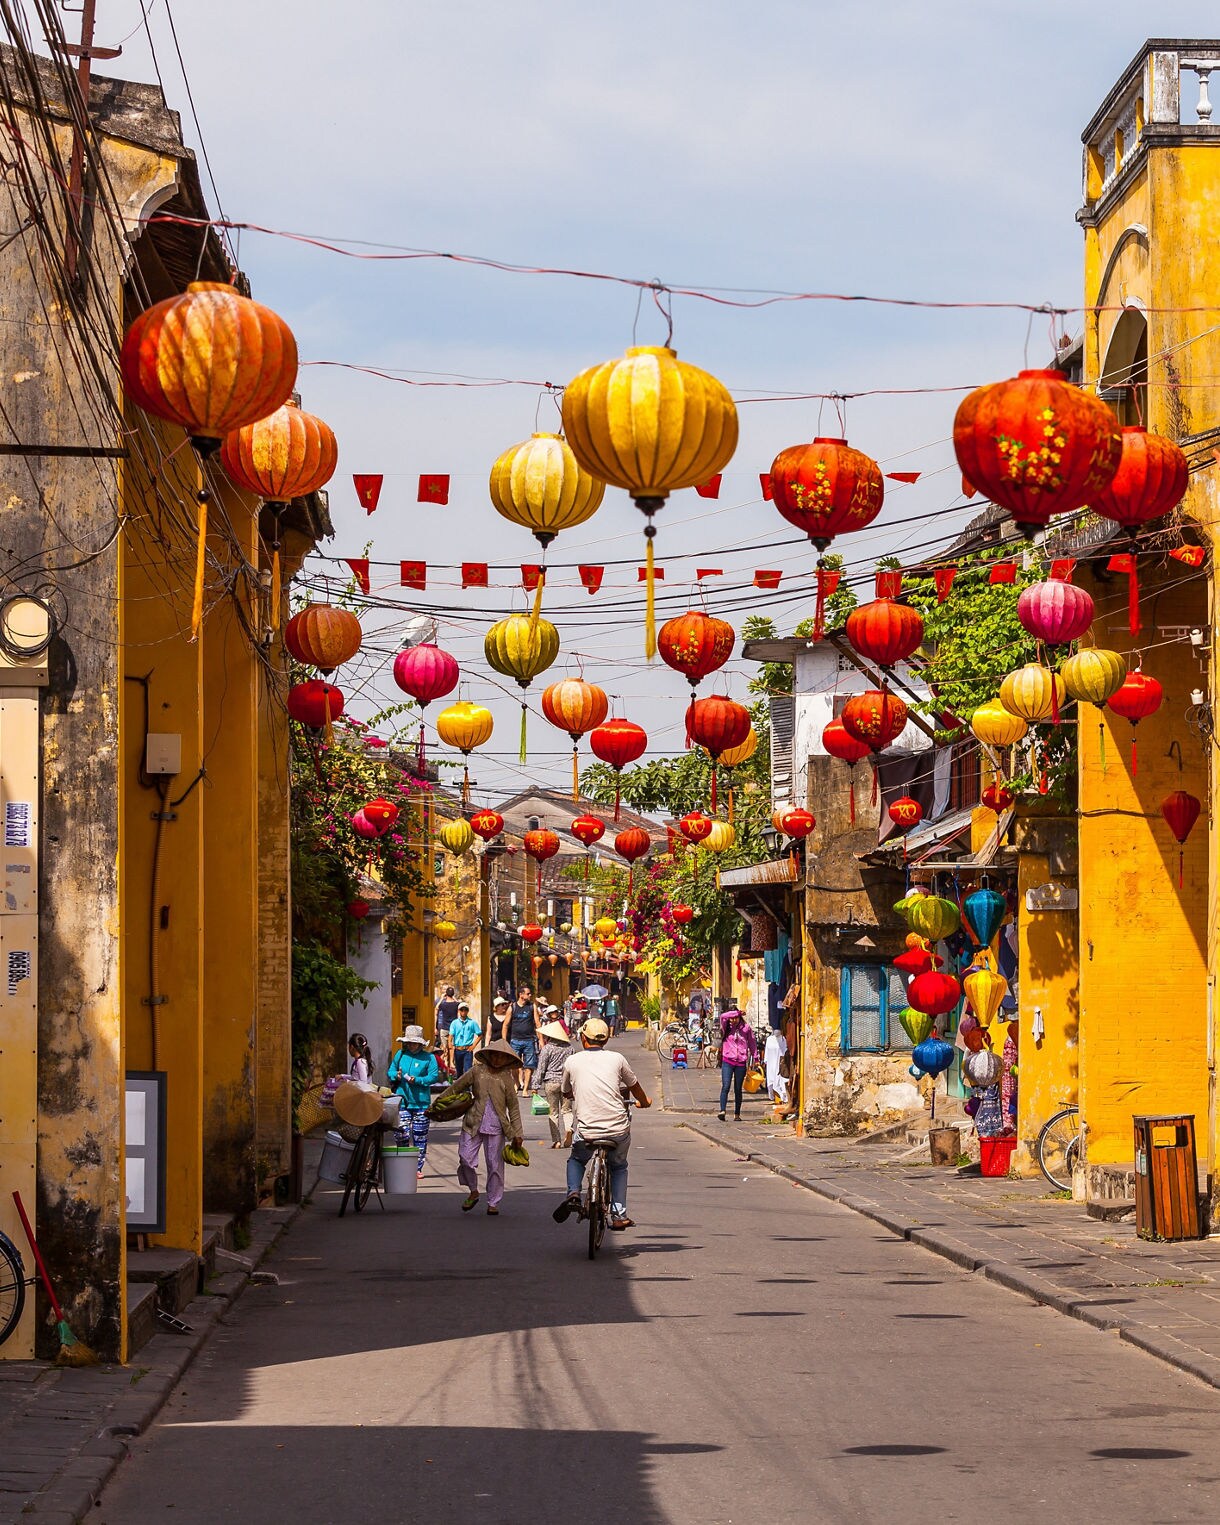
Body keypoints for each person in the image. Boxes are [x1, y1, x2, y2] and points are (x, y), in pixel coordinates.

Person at [554, 1017, 651, 1231]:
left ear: (582, 1038)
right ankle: (619, 1215)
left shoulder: (572, 1061)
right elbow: (634, 1087)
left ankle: (573, 1192)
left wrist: (574, 1093)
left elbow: (565, 1091)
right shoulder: (617, 1059)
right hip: (617, 1129)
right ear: (606, 1040)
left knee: (577, 1160)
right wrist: (644, 1102)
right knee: (619, 1167)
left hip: (587, 1131)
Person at [457, 1040, 524, 1216]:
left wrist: (518, 1133)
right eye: (495, 1054)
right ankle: (473, 1190)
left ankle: (493, 1201)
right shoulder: (477, 1071)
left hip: (497, 1127)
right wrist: (437, 1107)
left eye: (502, 1057)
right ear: (488, 1055)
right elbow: (456, 1087)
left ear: (507, 1060)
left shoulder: (506, 1079)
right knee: (465, 1158)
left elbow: (514, 1108)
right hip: (473, 1122)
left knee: (495, 1166)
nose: (497, 1059)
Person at [387, 1025, 439, 1174]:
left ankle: (417, 1168)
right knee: (401, 1133)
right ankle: (404, 1165)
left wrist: (418, 1080)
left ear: (421, 1043)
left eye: (414, 1042)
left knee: (420, 1137)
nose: (411, 1045)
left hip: (421, 1104)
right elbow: (390, 1071)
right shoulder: (400, 1055)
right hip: (402, 1102)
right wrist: (395, 1075)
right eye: (408, 1042)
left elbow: (433, 1077)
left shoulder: (429, 1058)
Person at [533, 1020, 573, 1148]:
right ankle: (569, 1129)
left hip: (551, 1082)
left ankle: (556, 1141)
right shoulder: (569, 1048)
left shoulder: (547, 1048)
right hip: (566, 1082)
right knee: (567, 1110)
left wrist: (535, 1086)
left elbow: (541, 1068)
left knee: (553, 1112)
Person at [718, 1009, 758, 1122]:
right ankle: (722, 1110)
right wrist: (737, 1013)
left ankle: (737, 1113)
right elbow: (723, 1016)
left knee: (737, 1089)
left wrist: (756, 1057)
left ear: (740, 1018)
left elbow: (752, 1043)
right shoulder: (727, 1026)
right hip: (728, 1060)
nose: (733, 1020)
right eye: (732, 1017)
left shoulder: (746, 1028)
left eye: (735, 1018)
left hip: (740, 1062)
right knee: (726, 1086)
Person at [508, 985, 539, 1092]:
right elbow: (506, 1025)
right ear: (521, 995)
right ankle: (517, 1082)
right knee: (513, 1065)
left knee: (529, 1065)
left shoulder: (532, 1006)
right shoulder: (512, 1007)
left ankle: (525, 1088)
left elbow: (537, 1023)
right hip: (515, 1040)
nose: (530, 995)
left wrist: (541, 1041)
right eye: (528, 993)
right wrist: (503, 1040)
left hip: (529, 1040)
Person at [449, 1002, 482, 1077]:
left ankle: (468, 1088)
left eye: (465, 1010)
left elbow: (480, 1035)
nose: (463, 1011)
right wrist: (450, 1044)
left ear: (467, 1011)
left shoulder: (472, 1023)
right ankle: (460, 1088)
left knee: (467, 1070)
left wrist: (473, 1046)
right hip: (458, 1050)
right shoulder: (454, 1023)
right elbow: (451, 1035)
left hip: (467, 1050)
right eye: (461, 1010)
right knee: (459, 1071)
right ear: (459, 1011)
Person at [434, 985, 460, 1070]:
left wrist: (442, 998)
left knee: (444, 1047)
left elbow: (437, 1007)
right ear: (452, 994)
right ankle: (451, 1062)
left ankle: (444, 1061)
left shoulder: (443, 1005)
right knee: (451, 1046)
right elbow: (459, 1004)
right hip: (453, 1028)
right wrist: (454, 998)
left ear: (446, 994)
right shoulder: (456, 1004)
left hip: (444, 1028)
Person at [764, 1025, 789, 1108]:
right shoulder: (769, 1040)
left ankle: (784, 1099)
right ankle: (777, 1099)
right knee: (772, 1081)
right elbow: (767, 1054)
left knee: (782, 1080)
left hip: (781, 1063)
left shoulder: (784, 1039)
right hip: (771, 1064)